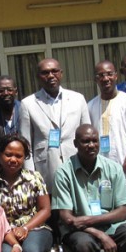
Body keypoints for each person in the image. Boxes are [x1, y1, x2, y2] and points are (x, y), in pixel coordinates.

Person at [18, 57, 91, 193]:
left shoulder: (78, 98)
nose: (51, 75)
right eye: (45, 73)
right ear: (38, 77)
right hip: (46, 169)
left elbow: (88, 135)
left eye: (54, 71)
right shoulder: (28, 103)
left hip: (77, 163)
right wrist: (30, 177)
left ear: (61, 73)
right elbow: (25, 144)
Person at [88, 60, 126, 172]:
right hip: (99, 171)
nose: (105, 78)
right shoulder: (90, 106)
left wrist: (124, 167)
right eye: (101, 75)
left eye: (109, 74)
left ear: (116, 76)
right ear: (95, 79)